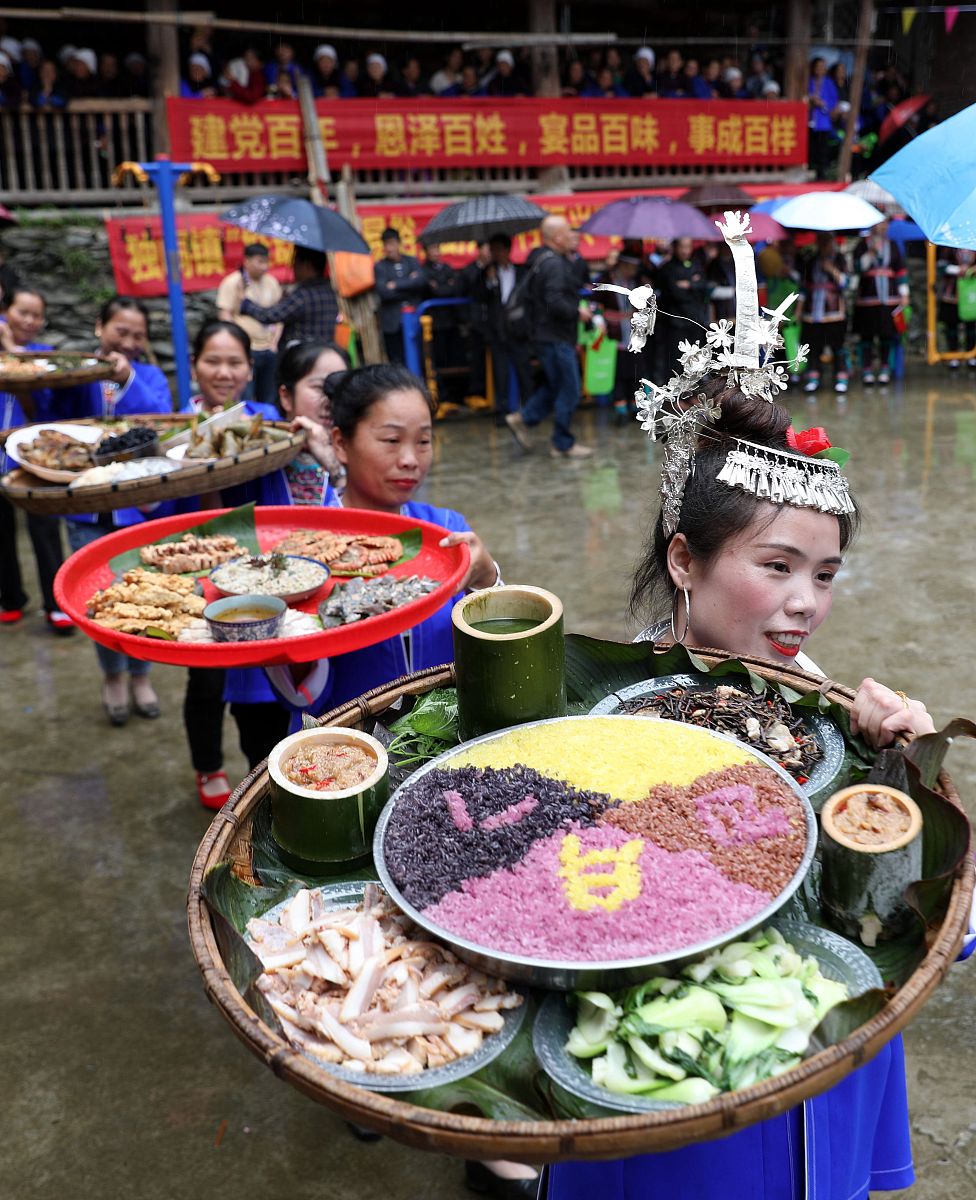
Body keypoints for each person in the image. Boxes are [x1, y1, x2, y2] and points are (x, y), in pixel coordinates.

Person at [547, 377, 934, 1200]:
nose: (807, 604)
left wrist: (903, 779)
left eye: (825, 575)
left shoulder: (830, 713)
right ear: (685, 559)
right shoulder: (598, 728)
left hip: (820, 1069)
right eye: (777, 566)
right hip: (677, 1085)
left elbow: (917, 924)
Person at [263, 363, 499, 727]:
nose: (410, 460)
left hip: (443, 741)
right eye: (391, 440)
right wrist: (281, 621)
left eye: (423, 441)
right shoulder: (303, 552)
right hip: (345, 753)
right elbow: (301, 696)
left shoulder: (447, 532)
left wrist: (488, 580)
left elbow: (499, 648)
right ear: (340, 443)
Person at [182, 321, 293, 809]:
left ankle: (263, 776)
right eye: (212, 361)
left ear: (250, 369)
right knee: (205, 678)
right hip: (195, 568)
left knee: (259, 672)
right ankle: (207, 763)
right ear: (194, 366)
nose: (223, 372)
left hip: (256, 568)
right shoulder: (177, 430)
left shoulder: (268, 424)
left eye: (234, 363)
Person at [57, 297, 173, 724]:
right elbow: (52, 419)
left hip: (134, 511)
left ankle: (141, 674)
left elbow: (159, 419)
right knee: (97, 600)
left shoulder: (152, 377)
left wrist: (128, 381)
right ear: (97, 327)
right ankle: (113, 676)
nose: (128, 341)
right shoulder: (79, 377)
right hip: (87, 511)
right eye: (120, 331)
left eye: (137, 335)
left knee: (142, 595)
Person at [0, 286, 71, 632]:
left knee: (43, 528)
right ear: (6, 311)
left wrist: (14, 354)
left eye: (36, 315)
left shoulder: (43, 356)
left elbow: (43, 407)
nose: (29, 320)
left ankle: (56, 604)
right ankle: (10, 597)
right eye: (21, 312)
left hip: (35, 456)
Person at [505, 215, 594, 460]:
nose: (573, 238)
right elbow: (554, 300)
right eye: (568, 234)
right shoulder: (553, 264)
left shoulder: (541, 259)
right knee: (570, 389)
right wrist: (578, 311)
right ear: (556, 237)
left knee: (556, 385)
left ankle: (524, 418)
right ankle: (562, 443)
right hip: (555, 337)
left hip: (545, 336)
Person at [469, 233, 533, 423]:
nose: (496, 254)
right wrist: (490, 281)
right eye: (493, 250)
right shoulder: (485, 273)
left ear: (507, 250)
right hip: (497, 330)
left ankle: (530, 411)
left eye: (499, 249)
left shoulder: (522, 271)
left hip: (518, 329)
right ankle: (502, 411)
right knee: (500, 372)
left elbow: (528, 297)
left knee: (524, 370)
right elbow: (478, 296)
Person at [273, 340, 350, 496]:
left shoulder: (358, 456)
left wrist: (334, 468)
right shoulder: (262, 460)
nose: (330, 401)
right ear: (286, 397)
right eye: (319, 388)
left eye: (340, 388)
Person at [217, 243, 282, 408]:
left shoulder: (272, 282)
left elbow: (279, 316)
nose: (264, 267)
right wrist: (236, 346)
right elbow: (225, 316)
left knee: (268, 397)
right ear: (246, 261)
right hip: (246, 351)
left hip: (268, 349)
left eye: (266, 262)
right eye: (260, 262)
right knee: (244, 397)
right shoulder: (232, 283)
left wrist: (274, 343)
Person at [239, 246, 338, 351]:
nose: (293, 268)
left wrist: (245, 304)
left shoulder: (302, 295)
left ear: (307, 265)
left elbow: (270, 316)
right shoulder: (330, 290)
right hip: (325, 351)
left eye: (296, 264)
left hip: (301, 356)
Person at [852, 224, 908, 386]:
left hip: (889, 299)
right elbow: (857, 268)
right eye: (880, 224)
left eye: (885, 223)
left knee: (887, 335)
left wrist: (904, 294)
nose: (883, 227)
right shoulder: (862, 245)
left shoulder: (892, 245)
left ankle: (885, 369)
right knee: (866, 336)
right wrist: (870, 253)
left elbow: (900, 270)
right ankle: (867, 370)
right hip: (867, 299)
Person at [798, 233, 851, 395]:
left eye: (827, 242)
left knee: (837, 346)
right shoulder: (810, 260)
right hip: (812, 311)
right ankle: (814, 377)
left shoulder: (840, 259)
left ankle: (840, 377)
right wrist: (799, 309)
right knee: (813, 346)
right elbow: (804, 287)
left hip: (834, 311)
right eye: (821, 242)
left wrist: (831, 269)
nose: (824, 245)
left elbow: (846, 283)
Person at [656, 236, 710, 372]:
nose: (685, 251)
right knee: (677, 363)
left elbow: (704, 287)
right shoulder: (668, 268)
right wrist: (694, 285)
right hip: (676, 322)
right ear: (675, 248)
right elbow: (676, 293)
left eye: (688, 247)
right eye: (682, 247)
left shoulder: (697, 265)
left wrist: (689, 285)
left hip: (695, 320)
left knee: (697, 361)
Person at [373, 228, 426, 366]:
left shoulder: (412, 261)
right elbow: (384, 292)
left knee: (419, 360)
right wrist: (409, 283)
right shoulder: (380, 266)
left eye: (391, 243)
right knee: (398, 363)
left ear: (398, 243)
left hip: (414, 320)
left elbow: (420, 283)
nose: (389, 248)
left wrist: (395, 284)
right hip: (392, 324)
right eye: (385, 245)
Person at [936, 248, 976, 369]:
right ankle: (953, 354)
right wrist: (959, 269)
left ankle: (971, 355)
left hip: (971, 293)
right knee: (951, 324)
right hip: (951, 293)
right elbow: (941, 266)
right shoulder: (949, 246)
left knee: (971, 324)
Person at [808, 57, 840, 180]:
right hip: (811, 119)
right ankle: (811, 170)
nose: (820, 69)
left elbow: (834, 100)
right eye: (818, 67)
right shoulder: (809, 81)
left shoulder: (829, 82)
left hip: (823, 120)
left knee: (822, 148)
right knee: (811, 147)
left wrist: (823, 104)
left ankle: (821, 173)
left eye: (822, 67)